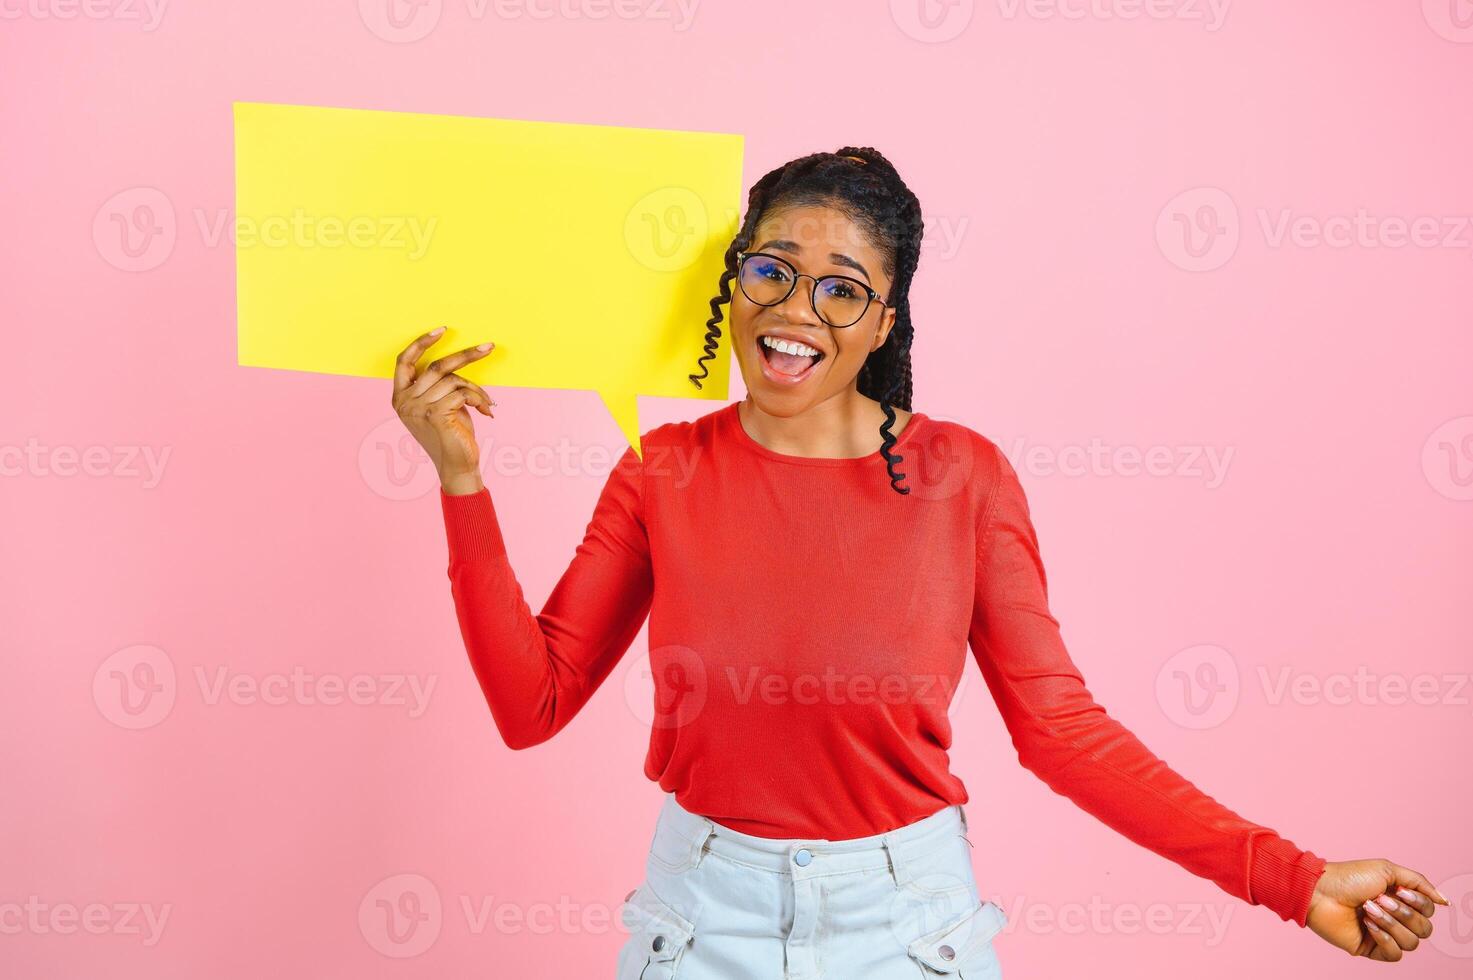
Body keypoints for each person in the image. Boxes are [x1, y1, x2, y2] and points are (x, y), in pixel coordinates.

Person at [391, 147, 1447, 977]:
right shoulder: (661, 472)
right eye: (772, 270)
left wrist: (1292, 878)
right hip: (699, 919)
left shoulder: (962, 478)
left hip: (905, 928)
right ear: (736, 281)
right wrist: (460, 476)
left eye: (842, 289)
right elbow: (531, 704)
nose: (796, 310)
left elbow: (1065, 734)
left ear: (885, 319)